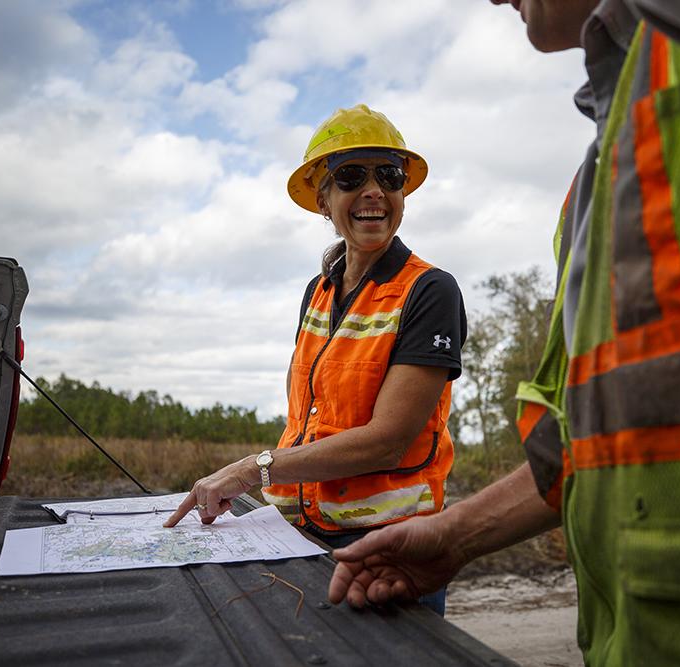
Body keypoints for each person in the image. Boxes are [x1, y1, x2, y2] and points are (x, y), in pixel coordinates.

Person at [328, 1, 680, 664]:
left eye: (387, 175)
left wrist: (257, 465)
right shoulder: (596, 180)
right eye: (349, 177)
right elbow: (584, 444)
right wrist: (458, 534)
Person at [165, 104, 466, 616]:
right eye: (351, 176)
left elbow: (388, 442)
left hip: (388, 555)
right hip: (298, 541)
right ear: (323, 200)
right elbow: (307, 419)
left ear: (402, 193)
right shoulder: (318, 292)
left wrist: (249, 472)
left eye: (388, 175)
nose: (373, 190)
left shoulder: (430, 290)